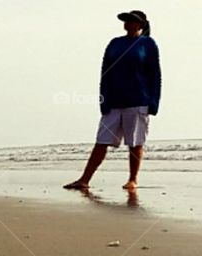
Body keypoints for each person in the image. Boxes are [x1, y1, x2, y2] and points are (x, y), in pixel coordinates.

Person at [64, 10, 161, 192]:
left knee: (135, 142)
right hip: (114, 100)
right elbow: (105, 73)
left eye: (132, 21)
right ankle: (84, 179)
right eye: (126, 21)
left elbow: (155, 75)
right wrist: (103, 99)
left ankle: (132, 179)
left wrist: (154, 102)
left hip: (138, 100)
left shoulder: (148, 44)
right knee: (101, 141)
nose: (128, 24)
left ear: (140, 25)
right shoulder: (114, 43)